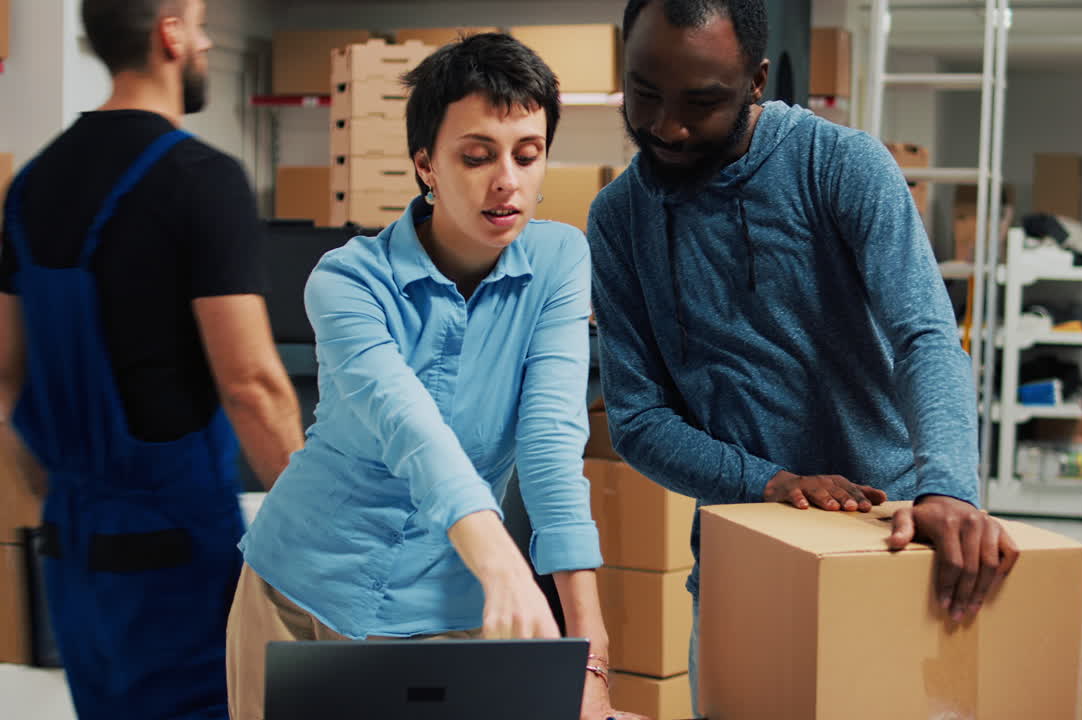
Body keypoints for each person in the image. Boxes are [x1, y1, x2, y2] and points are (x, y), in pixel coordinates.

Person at [588, 0, 1021, 712]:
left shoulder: (839, 166)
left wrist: (949, 486)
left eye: (701, 103)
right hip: (739, 573)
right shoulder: (618, 220)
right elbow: (638, 421)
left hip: (889, 557)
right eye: (645, 95)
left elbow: (924, 334)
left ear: (756, 81)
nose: (667, 127)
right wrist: (771, 482)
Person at [225, 33, 640, 720]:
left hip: (452, 607)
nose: (506, 180)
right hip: (299, 592)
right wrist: (502, 556)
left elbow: (548, 443)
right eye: (477, 156)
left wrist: (586, 641)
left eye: (527, 155)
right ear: (426, 165)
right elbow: (406, 424)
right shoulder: (349, 280)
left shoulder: (561, 261)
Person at [0, 1, 305, 718]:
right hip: (176, 554)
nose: (203, 41)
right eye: (199, 24)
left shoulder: (29, 187)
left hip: (71, 551)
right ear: (170, 33)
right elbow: (253, 385)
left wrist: (66, 493)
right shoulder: (201, 179)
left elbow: (7, 374)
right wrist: (321, 536)